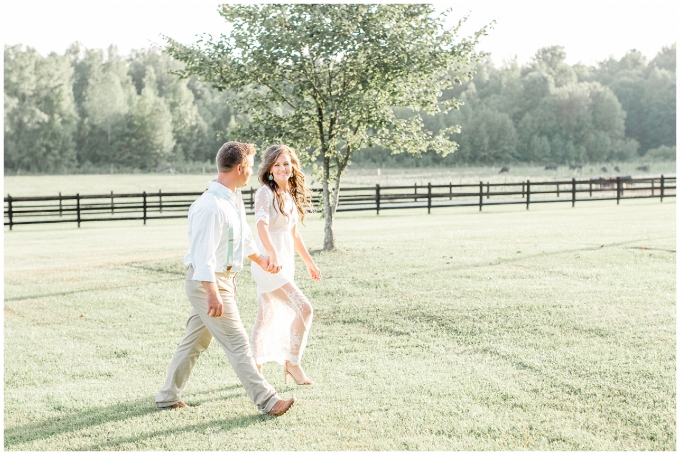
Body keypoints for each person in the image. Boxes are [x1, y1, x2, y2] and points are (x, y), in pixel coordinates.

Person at [155, 141, 296, 417]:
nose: (254, 173)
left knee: (195, 341)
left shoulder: (233, 199)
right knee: (238, 342)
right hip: (208, 282)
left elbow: (242, 239)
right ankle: (268, 400)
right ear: (240, 168)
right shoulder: (210, 206)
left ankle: (167, 396)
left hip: (223, 280)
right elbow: (202, 255)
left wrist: (262, 260)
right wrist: (212, 291)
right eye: (251, 168)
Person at [250, 144, 321, 385]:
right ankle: (293, 362)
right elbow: (261, 225)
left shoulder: (288, 195)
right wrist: (271, 254)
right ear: (270, 168)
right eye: (277, 164)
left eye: (286, 163)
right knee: (304, 308)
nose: (282, 168)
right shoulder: (264, 193)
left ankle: (254, 367)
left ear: (292, 167)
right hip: (268, 262)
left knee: (265, 315)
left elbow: (294, 234)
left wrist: (310, 263)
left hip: (284, 260)